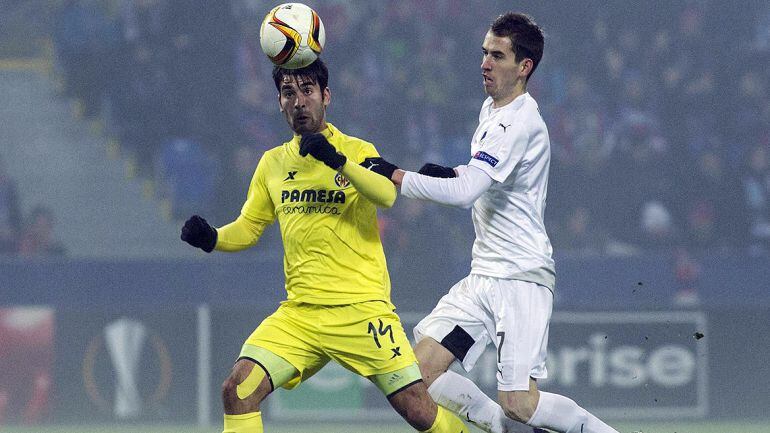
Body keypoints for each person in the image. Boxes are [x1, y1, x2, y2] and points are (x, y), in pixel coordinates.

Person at [180, 59, 468, 433]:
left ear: (325, 96)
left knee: (418, 410)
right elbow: (250, 228)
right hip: (300, 315)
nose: (299, 101)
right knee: (238, 389)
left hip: (362, 311)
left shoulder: (358, 149)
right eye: (288, 93)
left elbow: (386, 195)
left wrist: (336, 160)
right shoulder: (272, 164)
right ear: (279, 103)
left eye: (307, 91)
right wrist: (214, 238)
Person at [372, 12, 621, 433]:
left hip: (519, 278)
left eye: (498, 55)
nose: (485, 63)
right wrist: (451, 173)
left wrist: (398, 176)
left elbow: (468, 192)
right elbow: (481, 181)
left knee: (520, 403)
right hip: (484, 274)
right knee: (418, 372)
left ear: (524, 67)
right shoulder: (493, 109)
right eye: (485, 53)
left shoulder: (517, 121)